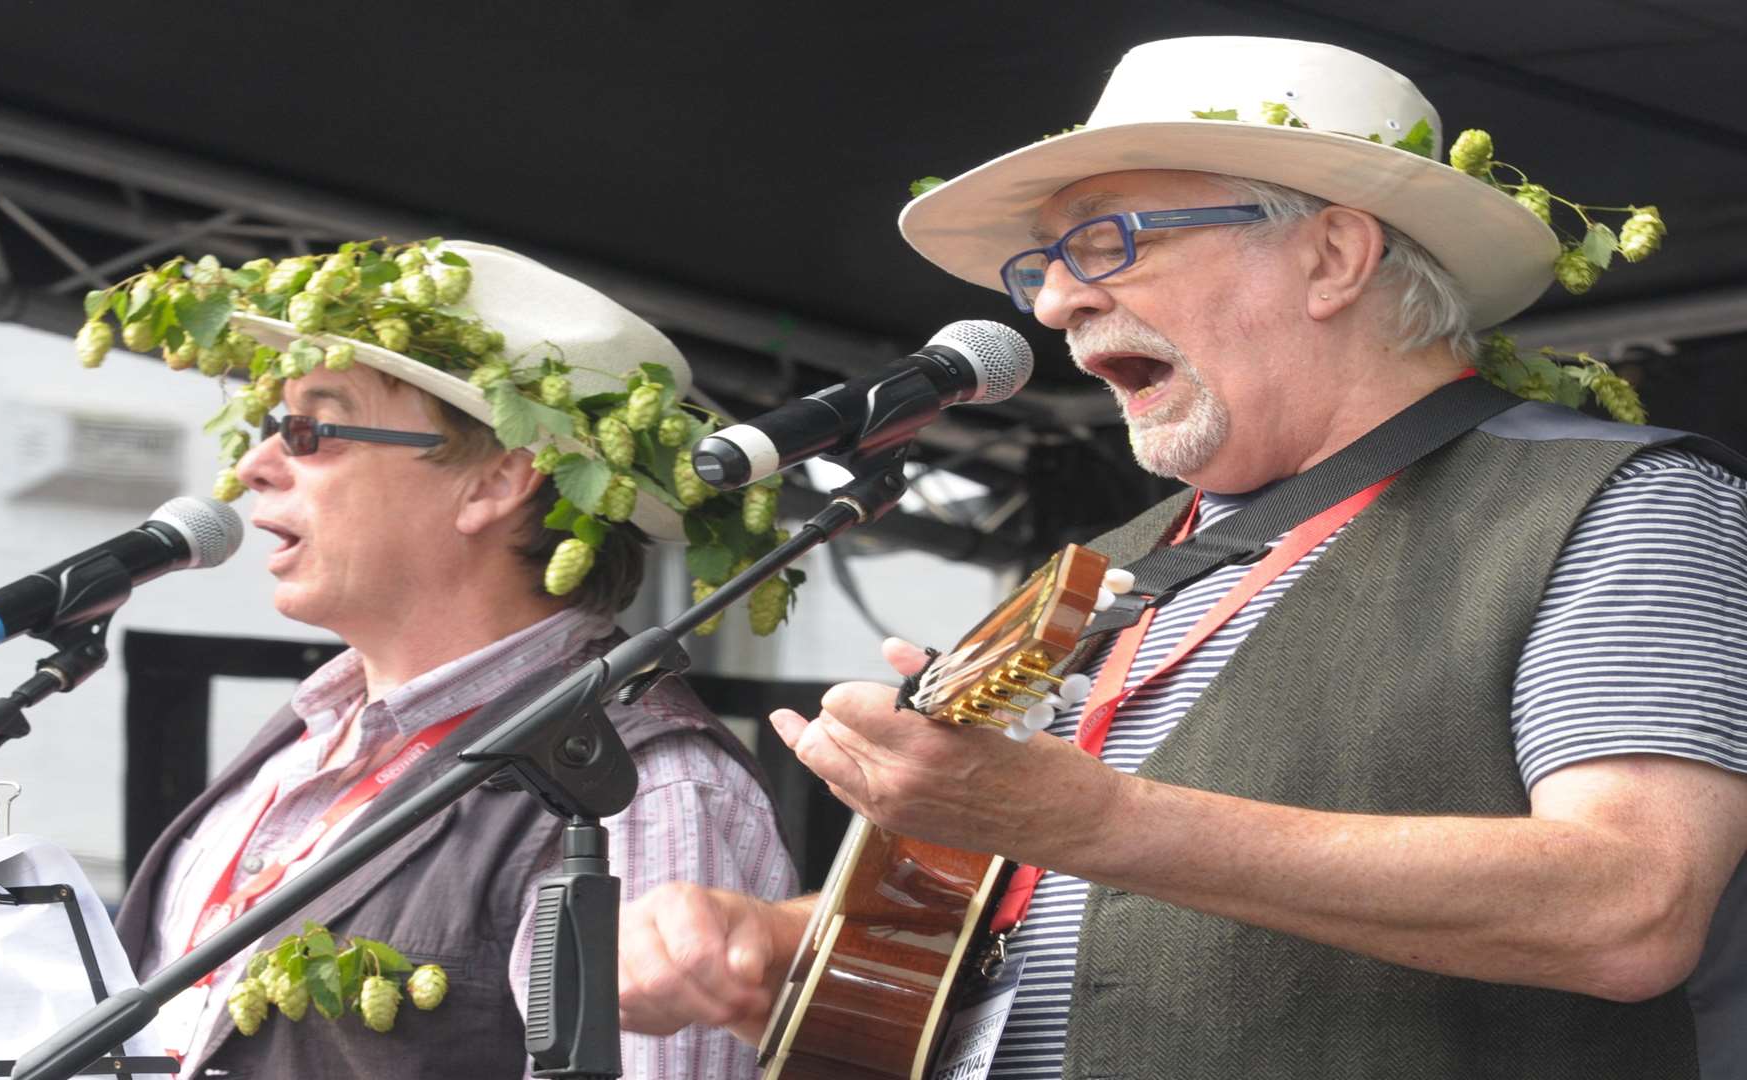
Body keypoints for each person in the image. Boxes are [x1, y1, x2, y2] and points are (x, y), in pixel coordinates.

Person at [615, 36, 1747, 1079]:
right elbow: (1026, 927)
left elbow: (1631, 905)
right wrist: (774, 945)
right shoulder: (1097, 571)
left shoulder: (1613, 503)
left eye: (1107, 241)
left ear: (1332, 255)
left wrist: (1102, 824)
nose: (1056, 301)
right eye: (1041, 266)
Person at [103, 242, 798, 1079]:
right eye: (265, 427)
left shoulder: (638, 787)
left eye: (310, 431)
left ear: (495, 483)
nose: (254, 466)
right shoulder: (307, 736)